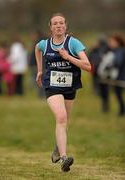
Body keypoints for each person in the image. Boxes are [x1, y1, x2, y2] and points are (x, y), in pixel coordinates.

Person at [35, 13, 91, 172]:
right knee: (61, 117)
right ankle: (64, 159)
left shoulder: (73, 43)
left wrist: (68, 57)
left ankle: (58, 147)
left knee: (64, 121)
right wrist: (40, 70)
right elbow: (37, 49)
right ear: (51, 27)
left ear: (65, 26)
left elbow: (87, 66)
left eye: (61, 23)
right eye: (55, 23)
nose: (58, 26)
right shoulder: (44, 44)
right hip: (51, 85)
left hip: (70, 86)